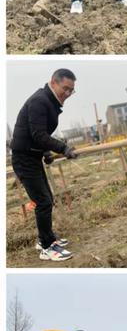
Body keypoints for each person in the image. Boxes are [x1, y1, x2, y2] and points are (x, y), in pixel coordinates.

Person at [10, 70, 80, 262]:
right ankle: (47, 247)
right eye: (65, 88)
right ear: (53, 83)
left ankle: (45, 239)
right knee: (43, 202)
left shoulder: (49, 102)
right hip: (23, 158)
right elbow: (38, 134)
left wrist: (46, 152)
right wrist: (63, 148)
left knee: (47, 198)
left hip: (32, 156)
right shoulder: (40, 101)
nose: (67, 93)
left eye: (71, 91)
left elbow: (36, 134)